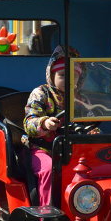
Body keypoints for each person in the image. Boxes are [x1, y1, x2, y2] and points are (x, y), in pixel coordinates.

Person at [23, 45, 80, 206]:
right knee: (49, 169)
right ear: (52, 75)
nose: (68, 81)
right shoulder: (41, 93)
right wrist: (44, 122)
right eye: (62, 75)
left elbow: (88, 120)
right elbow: (29, 122)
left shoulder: (81, 98)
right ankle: (47, 214)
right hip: (41, 148)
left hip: (72, 148)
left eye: (73, 76)